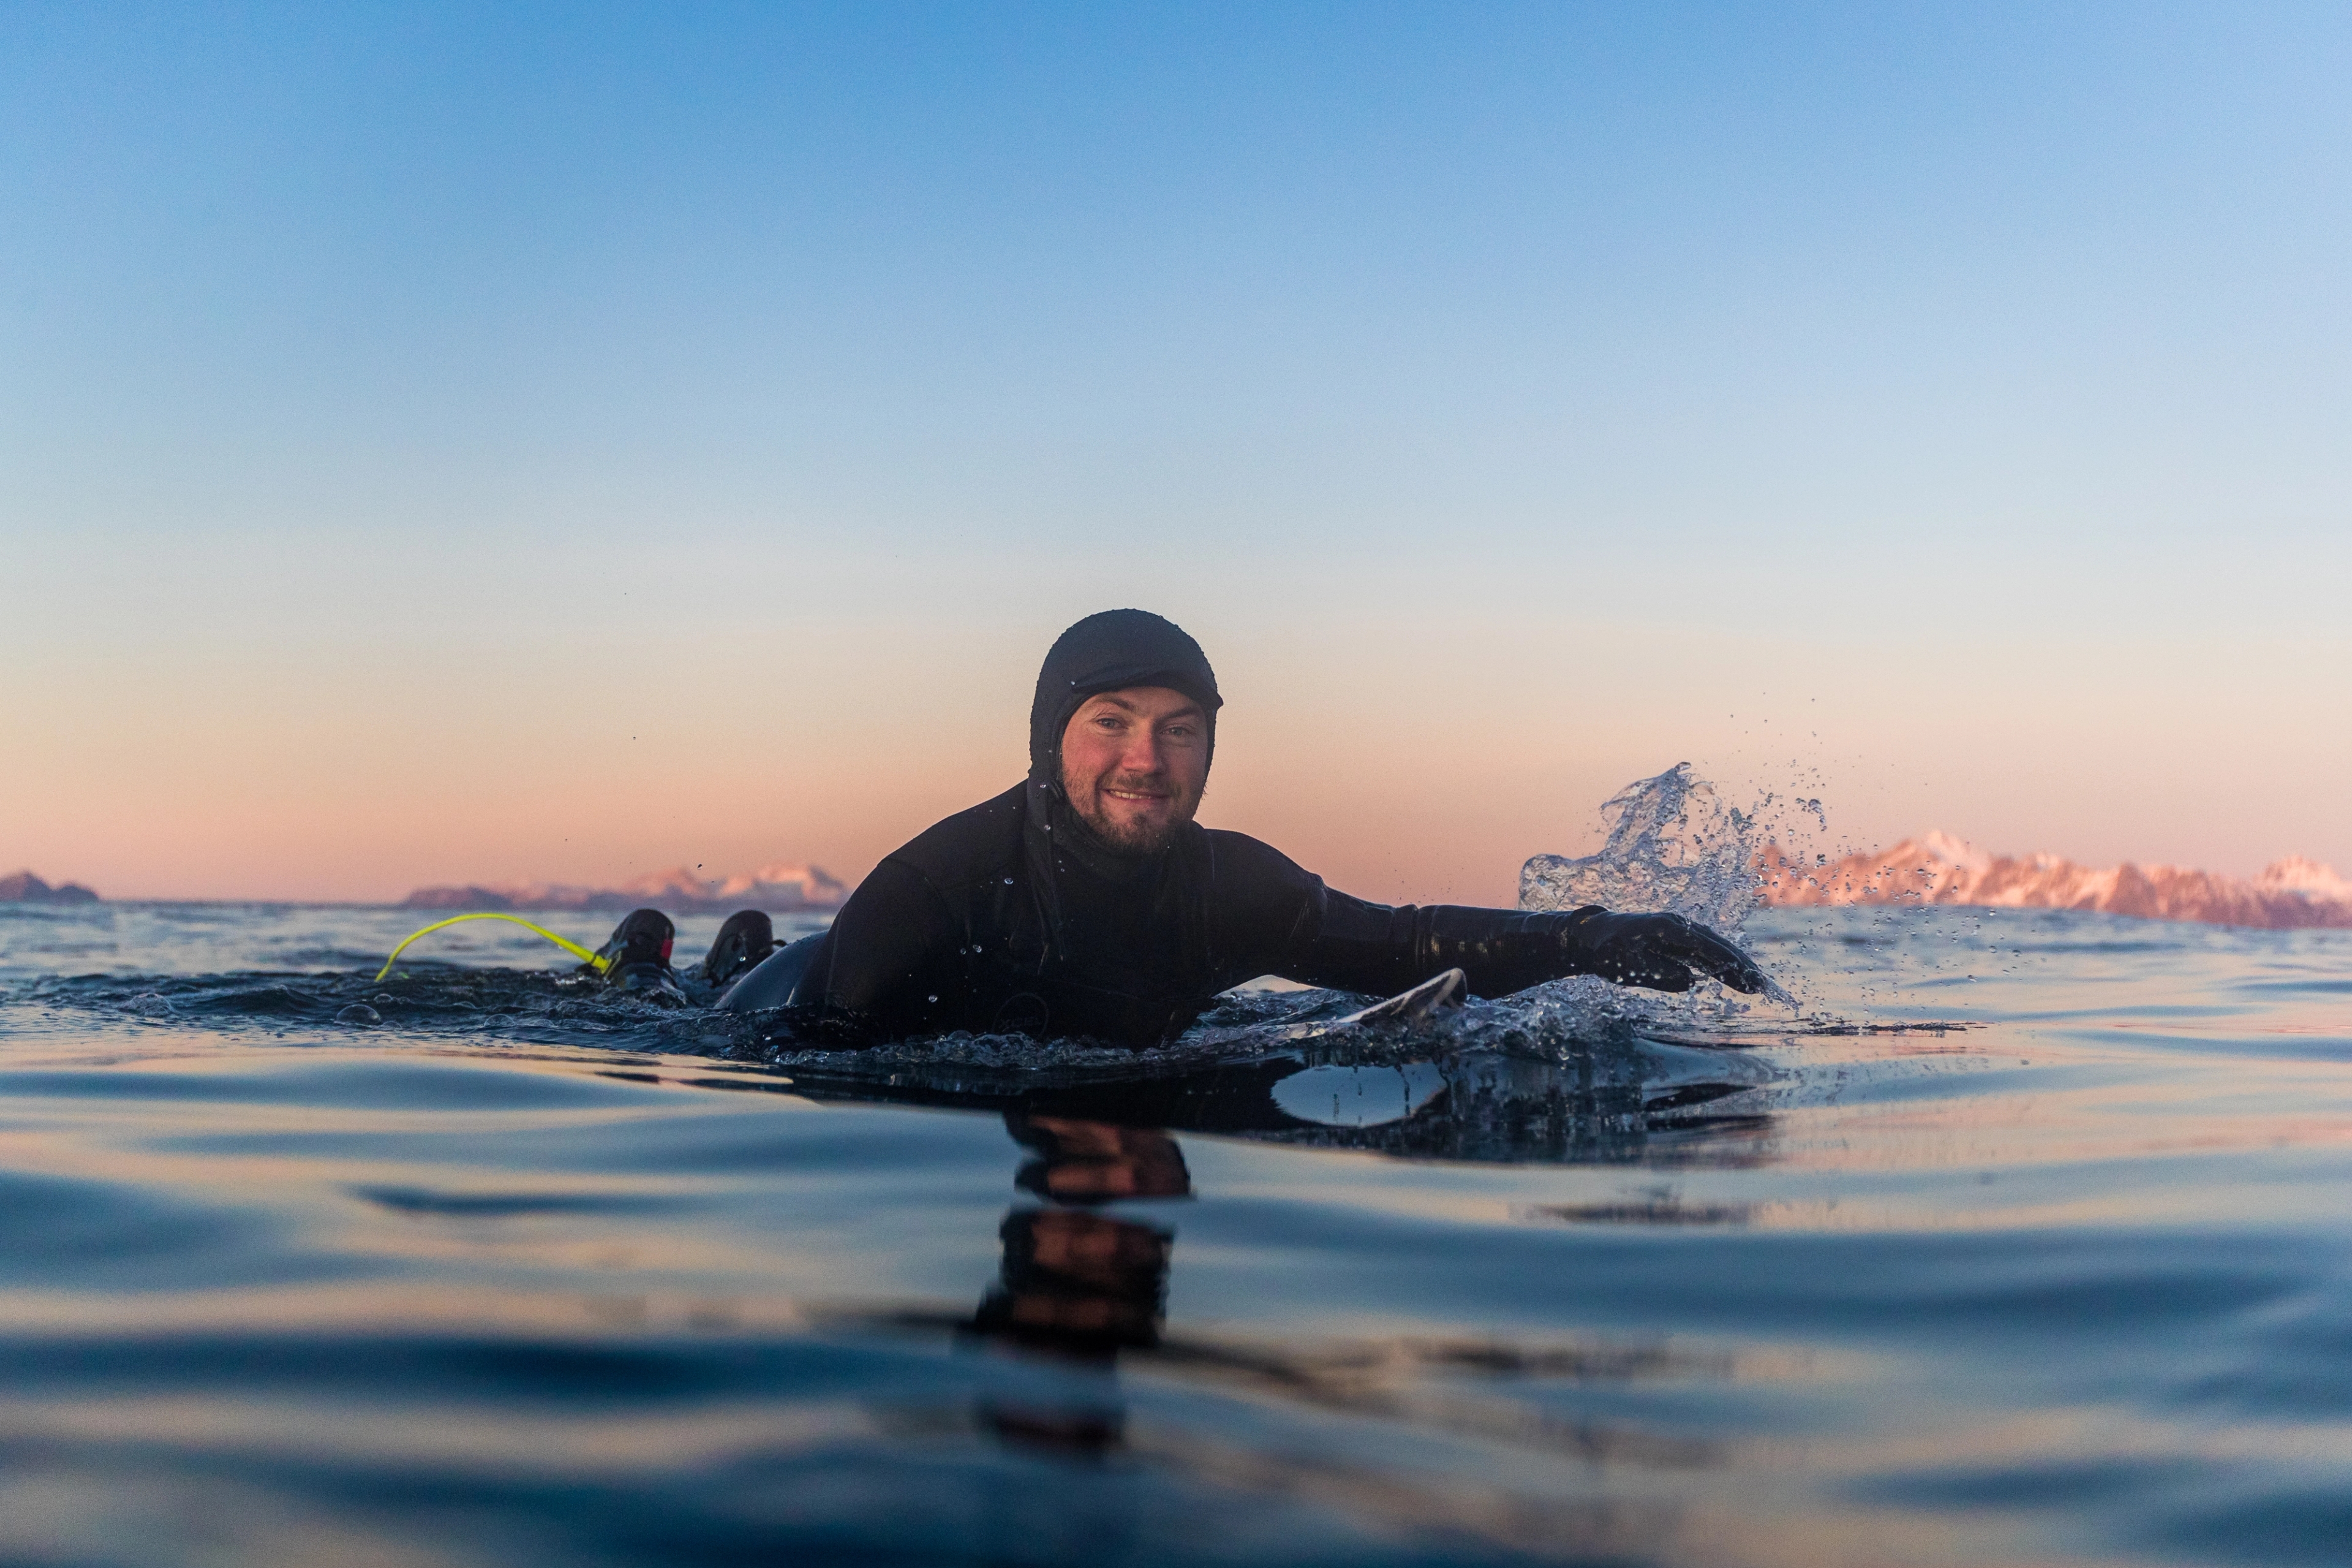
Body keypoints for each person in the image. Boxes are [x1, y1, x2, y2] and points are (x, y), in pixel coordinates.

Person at [599, 608, 1764, 1046]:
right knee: (692, 1003)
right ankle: (672, 963)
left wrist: (1604, 935)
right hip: (787, 1002)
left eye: (1181, 730)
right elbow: (796, 1062)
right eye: (1111, 722)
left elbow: (1405, 948)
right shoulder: (935, 888)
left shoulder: (1234, 890)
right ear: (1052, 738)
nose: (1145, 761)